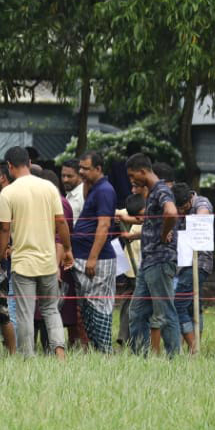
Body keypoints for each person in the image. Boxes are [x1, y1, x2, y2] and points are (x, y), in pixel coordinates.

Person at [0, 146, 71, 358]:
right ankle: (60, 354)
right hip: (48, 262)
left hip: (23, 264)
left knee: (25, 313)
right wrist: (67, 249)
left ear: (9, 166)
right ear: (29, 163)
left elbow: (3, 228)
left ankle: (27, 358)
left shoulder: (8, 192)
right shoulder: (49, 188)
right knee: (51, 309)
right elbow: (61, 223)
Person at [121, 154, 178, 357]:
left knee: (164, 312)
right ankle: (141, 358)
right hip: (148, 262)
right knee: (136, 312)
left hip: (161, 260)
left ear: (143, 171)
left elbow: (171, 213)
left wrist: (164, 234)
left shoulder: (162, 190)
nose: (131, 180)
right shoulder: (152, 192)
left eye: (132, 175)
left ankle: (174, 359)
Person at [70, 150, 118, 352]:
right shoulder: (93, 188)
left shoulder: (105, 190)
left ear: (98, 169)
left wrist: (92, 258)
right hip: (83, 256)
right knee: (86, 307)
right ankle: (97, 349)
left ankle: (105, 350)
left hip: (97, 259)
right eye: (80, 168)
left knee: (98, 306)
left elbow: (104, 226)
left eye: (86, 169)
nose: (81, 172)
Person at [173, 174, 214, 354]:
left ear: (190, 199)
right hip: (185, 263)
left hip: (198, 263)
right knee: (191, 305)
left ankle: (194, 348)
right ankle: (190, 345)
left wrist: (195, 221)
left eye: (183, 208)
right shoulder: (181, 206)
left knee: (178, 304)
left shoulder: (201, 203)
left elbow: (203, 215)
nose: (181, 212)